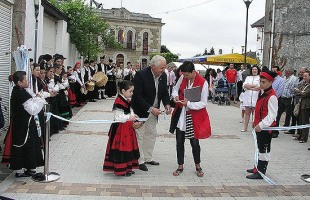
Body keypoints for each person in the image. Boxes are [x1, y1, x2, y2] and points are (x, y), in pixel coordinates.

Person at [169, 61, 211, 177]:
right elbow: (174, 89)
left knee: (194, 142)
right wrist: (175, 96)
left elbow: (203, 103)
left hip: (194, 115)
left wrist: (189, 104)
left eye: (187, 75)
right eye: (184, 75)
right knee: (179, 141)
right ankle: (180, 165)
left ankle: (198, 166)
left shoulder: (203, 82)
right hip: (181, 114)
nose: (185, 77)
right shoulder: (182, 77)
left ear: (193, 72)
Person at [131, 55, 171, 171]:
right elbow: (137, 96)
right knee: (140, 135)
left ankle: (148, 157)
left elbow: (164, 93)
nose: (163, 70)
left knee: (151, 134)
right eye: (161, 68)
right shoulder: (140, 75)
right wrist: (150, 108)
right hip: (141, 111)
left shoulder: (163, 76)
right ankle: (139, 160)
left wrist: (167, 104)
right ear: (153, 66)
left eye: (164, 68)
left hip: (154, 112)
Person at [2, 71, 45, 177]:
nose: (28, 81)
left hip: (25, 123)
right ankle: (20, 170)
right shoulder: (20, 93)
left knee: (29, 145)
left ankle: (28, 167)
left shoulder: (20, 90)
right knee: (22, 145)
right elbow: (32, 110)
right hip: (22, 125)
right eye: (26, 80)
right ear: (19, 83)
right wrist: (40, 101)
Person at [103, 80, 141, 176]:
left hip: (128, 128)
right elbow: (117, 117)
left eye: (132, 91)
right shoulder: (119, 101)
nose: (132, 93)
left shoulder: (127, 99)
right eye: (130, 91)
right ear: (123, 91)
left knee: (129, 147)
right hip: (121, 129)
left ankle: (128, 168)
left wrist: (133, 116)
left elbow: (130, 110)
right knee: (122, 148)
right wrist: (129, 117)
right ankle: (121, 170)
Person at [246, 68, 278, 179]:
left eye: (264, 82)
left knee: (264, 149)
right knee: (259, 147)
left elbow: (272, 115)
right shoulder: (263, 92)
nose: (261, 84)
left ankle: (261, 171)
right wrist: (255, 122)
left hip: (265, 128)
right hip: (259, 126)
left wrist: (261, 125)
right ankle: (257, 167)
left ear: (270, 82)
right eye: (260, 81)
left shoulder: (272, 96)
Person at [241, 65, 261, 132]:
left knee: (254, 114)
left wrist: (250, 87)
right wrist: (253, 86)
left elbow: (259, 87)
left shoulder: (260, 78)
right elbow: (245, 85)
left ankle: (254, 128)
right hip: (248, 98)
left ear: (258, 70)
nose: (254, 71)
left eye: (255, 69)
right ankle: (245, 128)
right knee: (247, 113)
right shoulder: (248, 77)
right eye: (253, 69)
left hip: (255, 98)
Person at [293, 70, 310, 143]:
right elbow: (296, 91)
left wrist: (299, 91)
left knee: (305, 122)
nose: (304, 77)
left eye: (306, 76)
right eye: (304, 76)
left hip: (306, 106)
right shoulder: (304, 84)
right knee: (300, 121)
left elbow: (305, 94)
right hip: (300, 105)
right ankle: (300, 135)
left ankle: (304, 137)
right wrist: (299, 92)